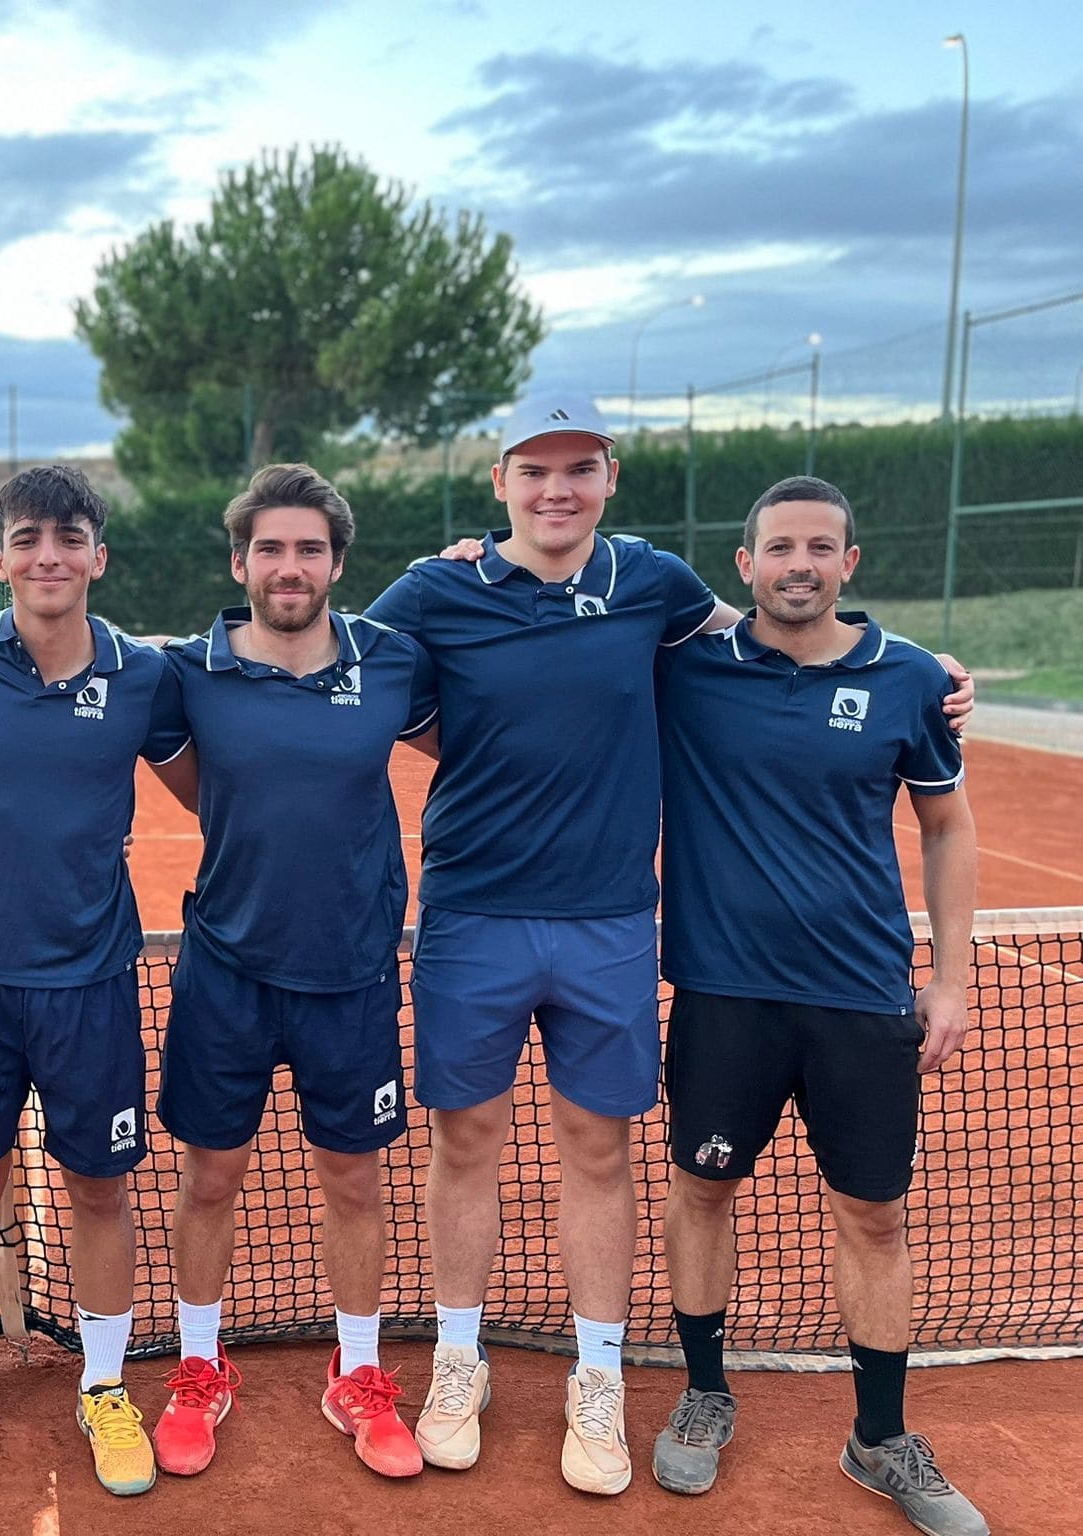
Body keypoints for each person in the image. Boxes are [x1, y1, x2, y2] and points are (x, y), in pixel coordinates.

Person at [369, 401, 973, 1495]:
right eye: (534, 471)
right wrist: (479, 740)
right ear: (499, 481)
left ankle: (595, 1384)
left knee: (598, 1154)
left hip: (609, 921)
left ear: (608, 478)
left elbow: (778, 629)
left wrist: (923, 671)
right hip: (469, 915)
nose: (555, 490)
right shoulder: (434, 587)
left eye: (578, 470)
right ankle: (457, 1364)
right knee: (463, 1141)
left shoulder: (652, 584)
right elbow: (353, 671)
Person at [649, 476, 986, 1536]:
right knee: (701, 1191)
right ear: (742, 568)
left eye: (819, 546)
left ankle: (878, 1439)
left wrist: (948, 978)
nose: (799, 562)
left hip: (858, 999)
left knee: (873, 1218)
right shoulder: (684, 668)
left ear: (849, 562)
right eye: (777, 547)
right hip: (721, 994)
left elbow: (945, 827)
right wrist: (483, 552)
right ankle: (703, 1393)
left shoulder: (907, 682)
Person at [0, 466, 188, 1503]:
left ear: (98, 555)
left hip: (91, 980)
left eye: (68, 536)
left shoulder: (145, 675)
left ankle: (104, 1388)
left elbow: (207, 771)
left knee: (96, 1189)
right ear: (0, 557)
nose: (46, 553)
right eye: (26, 537)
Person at [150, 463, 440, 1481]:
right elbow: (193, 784)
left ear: (335, 563)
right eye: (268, 548)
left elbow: (485, 738)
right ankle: (197, 1366)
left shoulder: (393, 661)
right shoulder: (187, 672)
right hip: (223, 970)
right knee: (209, 1178)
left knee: (353, 1181)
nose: (288, 566)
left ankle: (355, 1375)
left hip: (353, 974)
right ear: (239, 562)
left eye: (307, 549)